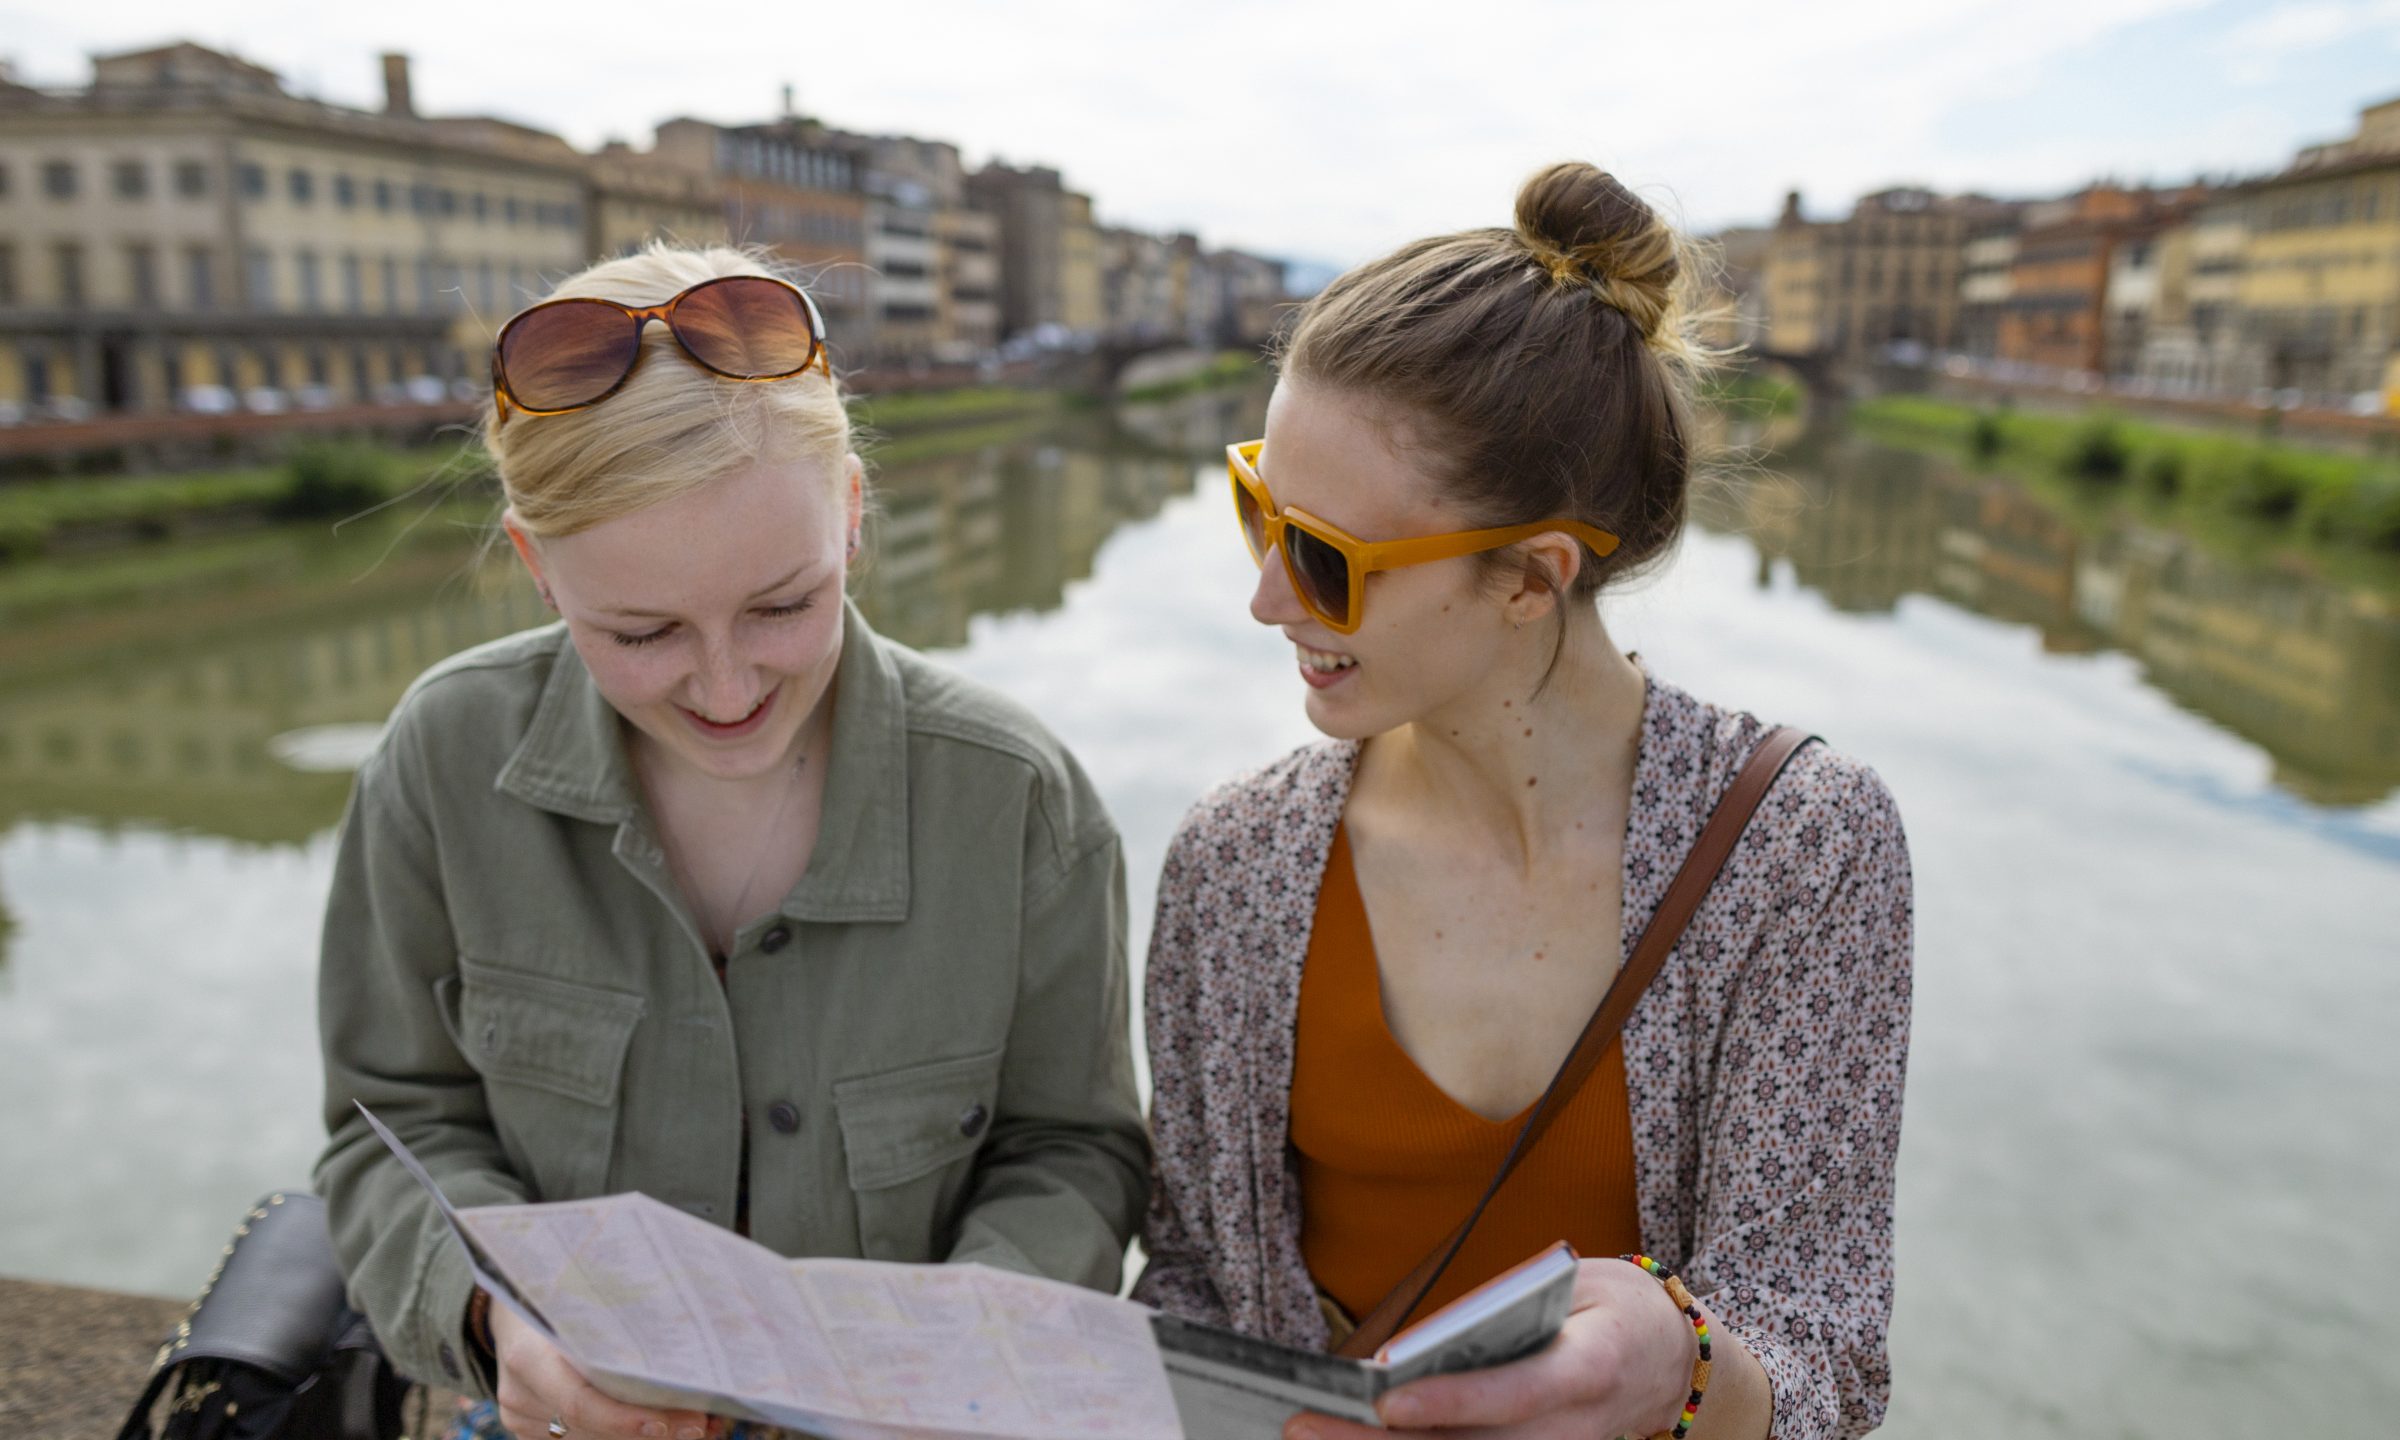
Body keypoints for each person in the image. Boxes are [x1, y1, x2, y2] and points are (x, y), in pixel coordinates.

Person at [314, 245, 1147, 1440]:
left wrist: (963, 1357)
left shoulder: (1018, 799)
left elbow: (1073, 1151)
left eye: (781, 606)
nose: (726, 689)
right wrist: (497, 1321)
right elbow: (389, 1126)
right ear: (536, 567)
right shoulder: (440, 763)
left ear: (850, 514)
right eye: (642, 633)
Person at [1134, 164, 1914, 1440]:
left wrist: (1682, 1366)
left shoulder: (1803, 847)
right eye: (1257, 508)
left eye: (1324, 557)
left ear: (1531, 579)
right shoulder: (1233, 859)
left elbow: (1825, 1359)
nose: (1267, 597)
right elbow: (1193, 1278)